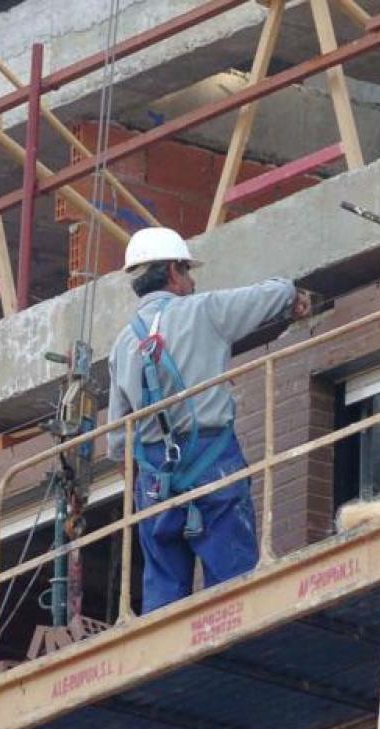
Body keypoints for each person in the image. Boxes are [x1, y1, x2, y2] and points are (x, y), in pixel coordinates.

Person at [107, 226, 312, 613]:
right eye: (187, 271)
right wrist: (292, 296)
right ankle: (234, 643)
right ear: (172, 271)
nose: (193, 280)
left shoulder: (122, 345)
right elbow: (276, 292)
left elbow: (118, 442)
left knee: (163, 593)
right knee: (231, 583)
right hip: (210, 461)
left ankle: (161, 655)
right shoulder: (205, 311)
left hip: (153, 477)